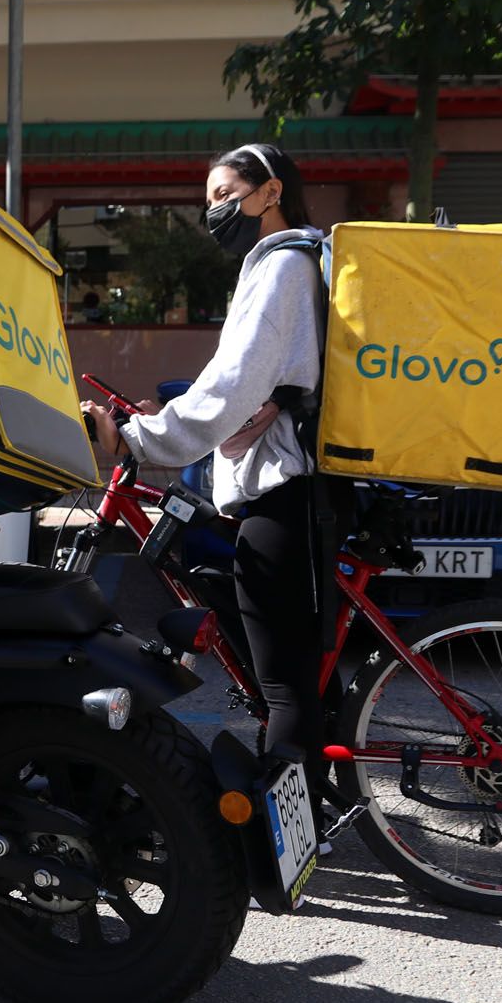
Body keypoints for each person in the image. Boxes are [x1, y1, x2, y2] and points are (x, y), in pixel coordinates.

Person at [82, 142, 328, 789]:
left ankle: (290, 832)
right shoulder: (291, 263)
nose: (214, 209)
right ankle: (322, 798)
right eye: (209, 199)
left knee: (282, 682)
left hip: (290, 492)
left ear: (270, 192)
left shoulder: (283, 269)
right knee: (283, 663)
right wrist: (163, 408)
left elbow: (235, 387)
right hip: (293, 489)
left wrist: (136, 440)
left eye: (225, 195)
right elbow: (250, 381)